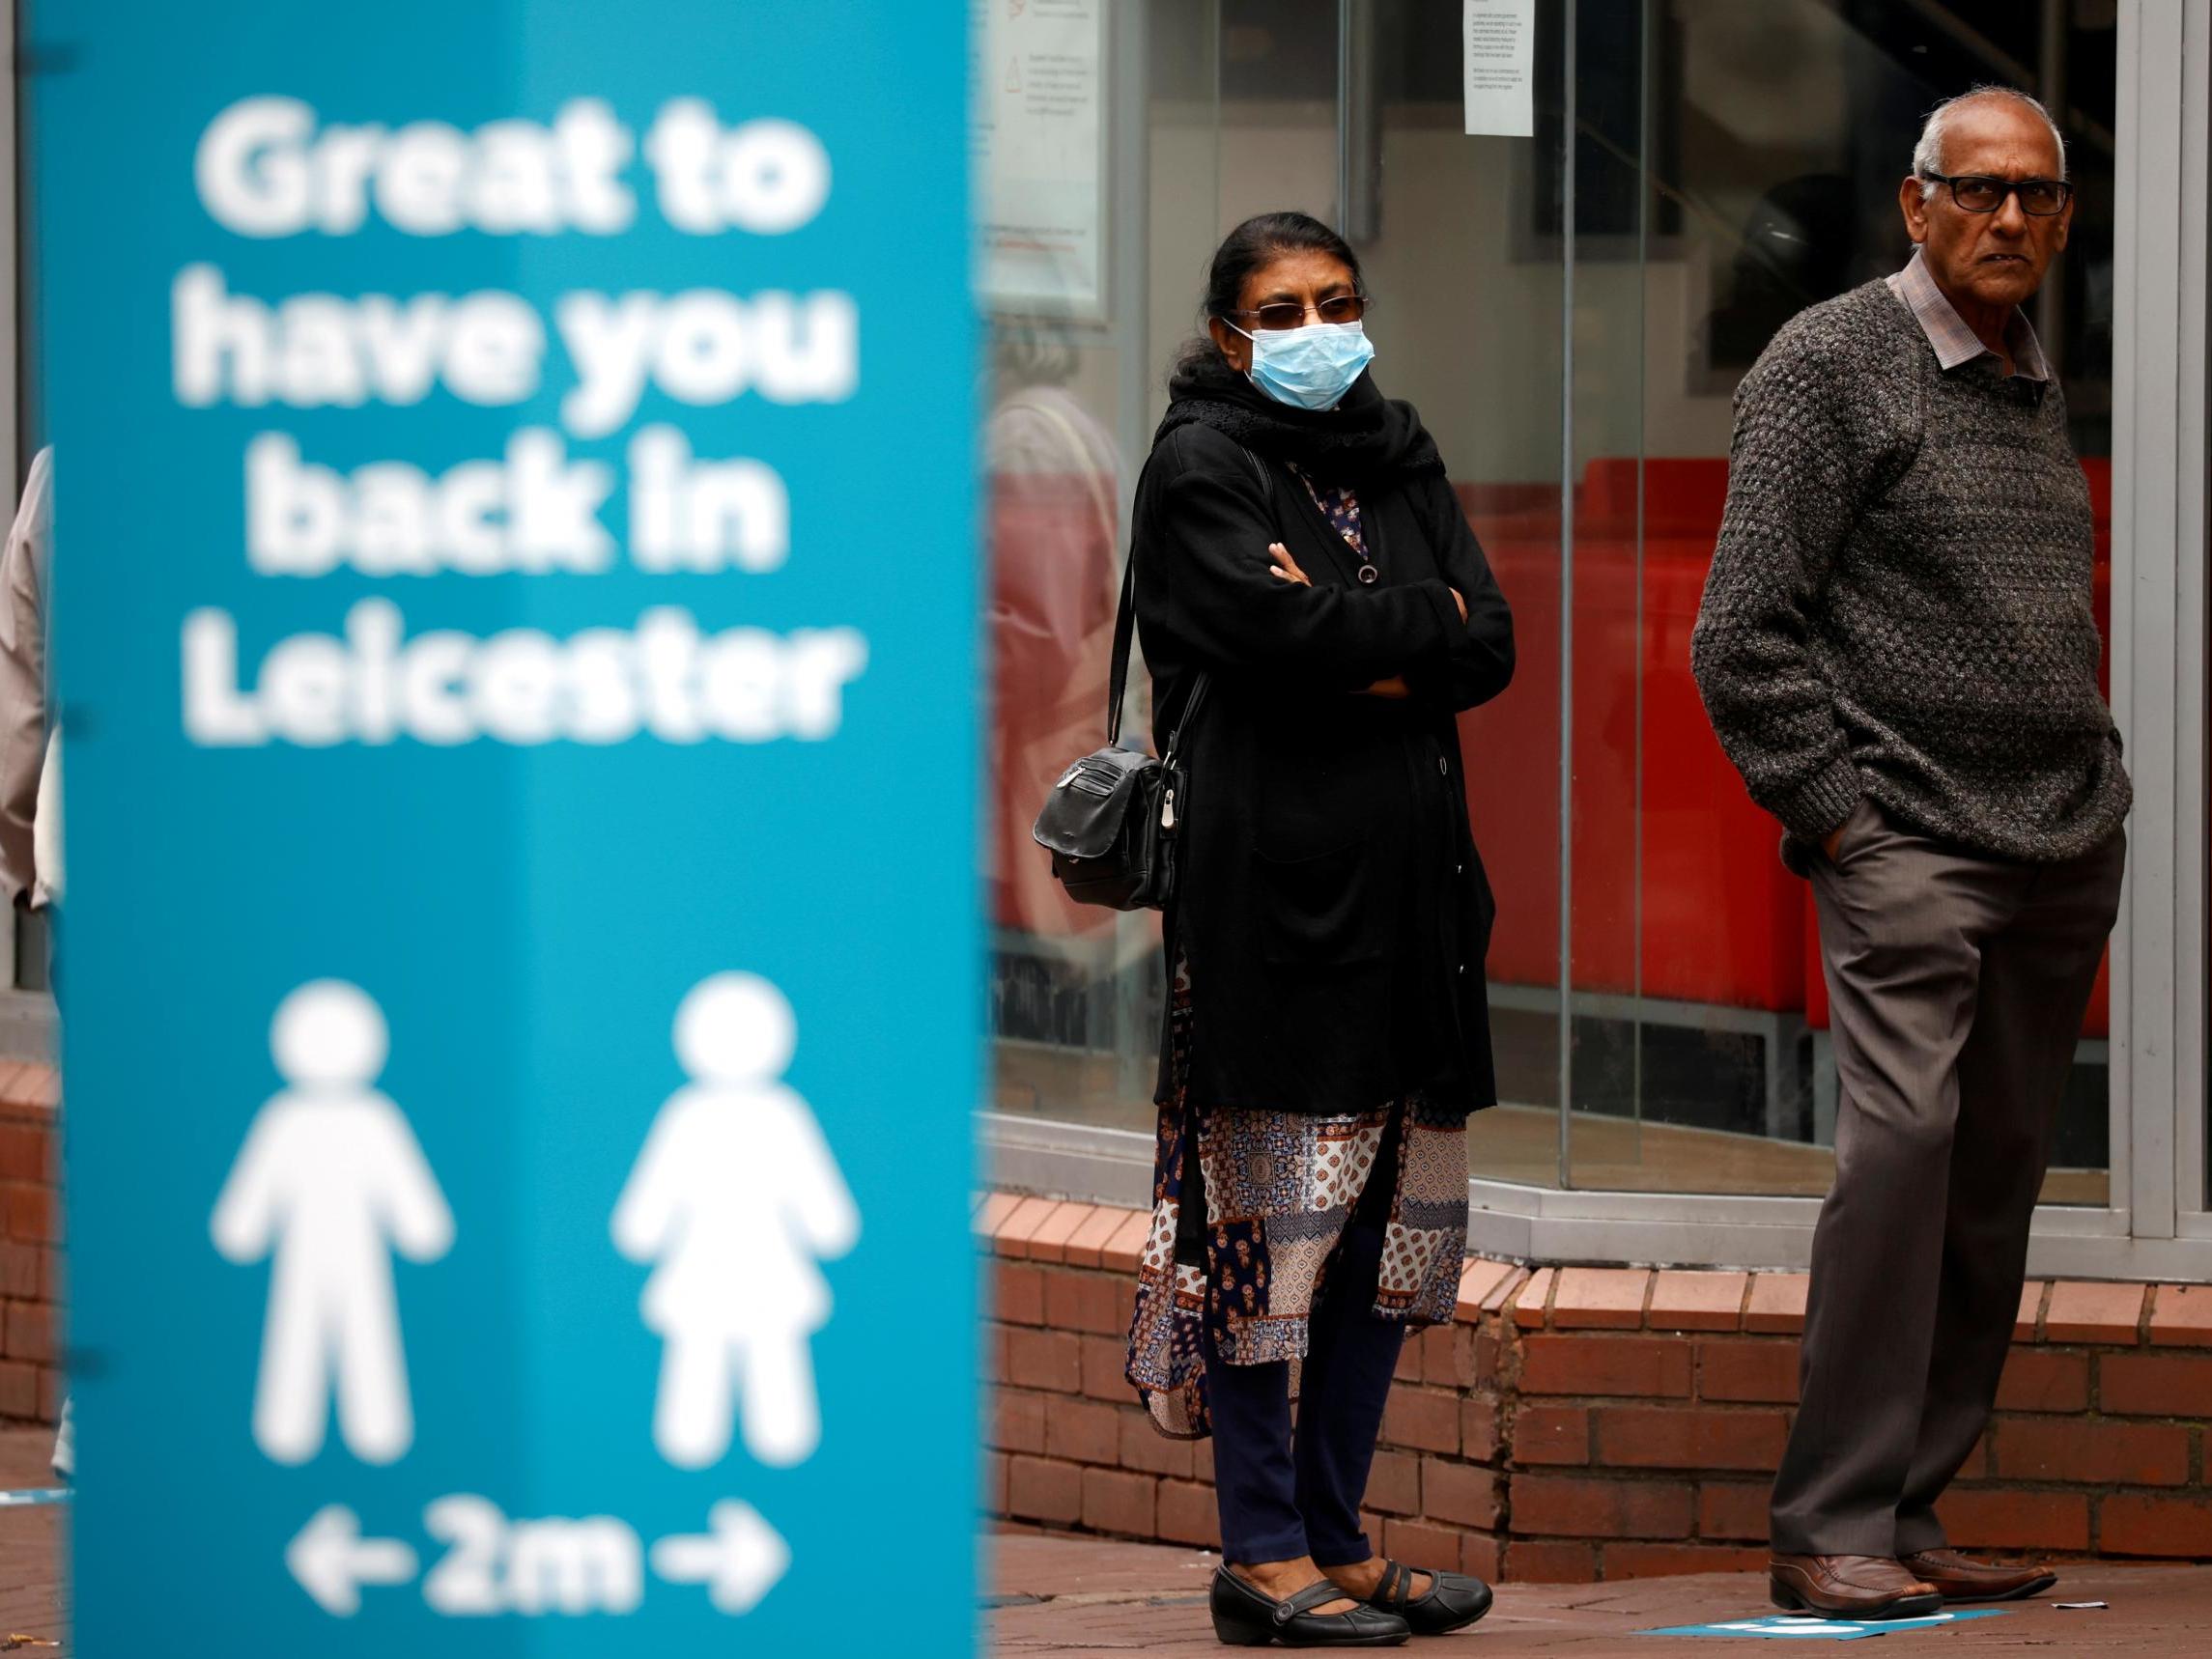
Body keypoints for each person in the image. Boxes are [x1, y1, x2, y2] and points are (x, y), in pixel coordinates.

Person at [1692, 86, 2129, 1621]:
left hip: (2058, 839)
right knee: (1896, 1168)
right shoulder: (1830, 361)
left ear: (2064, 218)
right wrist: (1839, 814)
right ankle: (1828, 1519)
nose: (2007, 220)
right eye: (1977, 191)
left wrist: (2096, 779)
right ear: (1913, 201)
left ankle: (1909, 1504)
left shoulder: (2020, 367)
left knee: (1989, 1182)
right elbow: (1739, 635)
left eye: (2035, 197)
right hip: (1908, 840)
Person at [1119, 211, 1513, 1647]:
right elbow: (1281, 648)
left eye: (1334, 300)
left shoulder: (1394, 451)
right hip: (1271, 920)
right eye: (1278, 310)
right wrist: (1402, 629)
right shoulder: (1198, 466)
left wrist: (1367, 629)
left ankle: (1340, 1541)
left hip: (1417, 919)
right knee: (1265, 1244)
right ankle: (1259, 1550)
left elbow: (1490, 641)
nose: (1311, 329)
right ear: (1228, 333)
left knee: (1382, 1250)